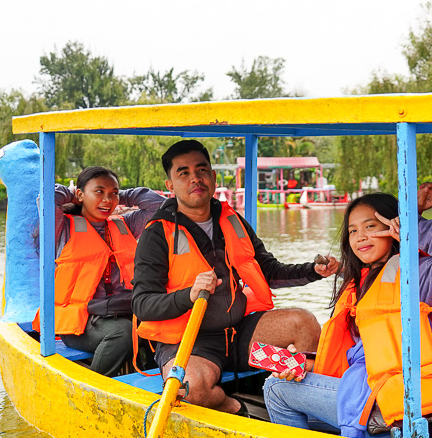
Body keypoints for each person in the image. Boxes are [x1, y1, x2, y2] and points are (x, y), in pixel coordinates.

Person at [132, 139, 339, 415]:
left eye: (201, 170)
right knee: (190, 387)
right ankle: (240, 410)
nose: (195, 178)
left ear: (213, 176)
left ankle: (306, 407)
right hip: (190, 343)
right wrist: (188, 295)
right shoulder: (156, 234)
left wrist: (313, 271)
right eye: (184, 172)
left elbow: (270, 272)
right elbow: (142, 304)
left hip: (240, 335)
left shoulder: (234, 221)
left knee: (304, 322)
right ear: (170, 185)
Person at [263, 191, 432, 438]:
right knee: (285, 381)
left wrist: (413, 224)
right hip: (371, 398)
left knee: (275, 390)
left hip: (400, 408)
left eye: (370, 226)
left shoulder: (414, 276)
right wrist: (306, 364)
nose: (361, 237)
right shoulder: (362, 280)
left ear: (392, 228)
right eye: (353, 231)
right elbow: (361, 356)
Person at [37, 166, 164, 377]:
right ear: (80, 194)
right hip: (81, 322)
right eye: (99, 192)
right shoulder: (62, 228)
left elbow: (159, 205)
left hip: (123, 312)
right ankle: (93, 391)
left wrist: (118, 195)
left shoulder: (126, 224)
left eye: (112, 193)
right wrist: (75, 194)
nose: (107, 200)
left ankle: (154, 385)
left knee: (162, 325)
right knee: (123, 333)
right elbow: (47, 198)